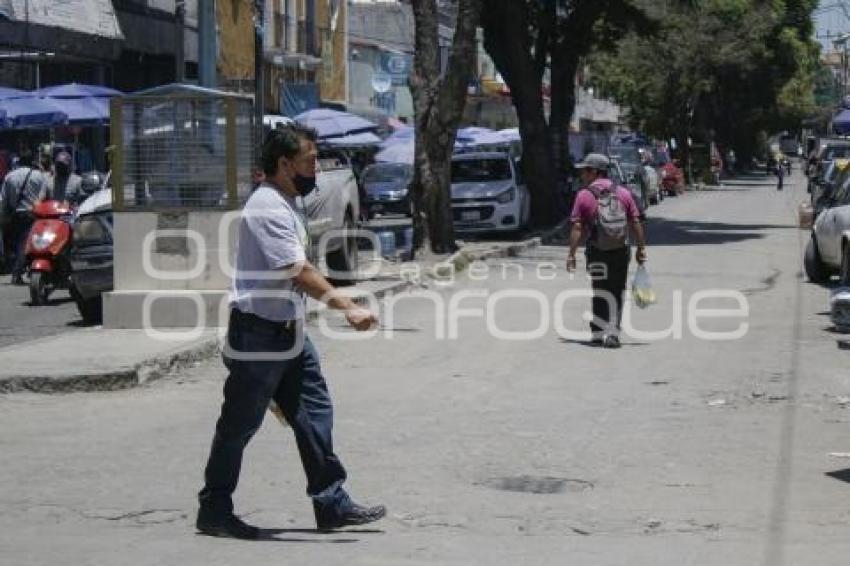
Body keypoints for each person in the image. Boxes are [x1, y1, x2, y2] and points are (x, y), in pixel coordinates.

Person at [197, 125, 386, 539]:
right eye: (309, 161)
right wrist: (347, 307)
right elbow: (297, 271)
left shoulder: (287, 201)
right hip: (259, 336)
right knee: (239, 425)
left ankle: (331, 502)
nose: (315, 168)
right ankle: (214, 508)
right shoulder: (266, 207)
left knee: (314, 412)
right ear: (283, 164)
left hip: (289, 333)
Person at [566, 153, 647, 348]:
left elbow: (577, 227)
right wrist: (641, 248)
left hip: (596, 250)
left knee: (599, 289)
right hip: (620, 249)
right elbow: (635, 221)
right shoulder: (624, 193)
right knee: (617, 291)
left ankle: (597, 334)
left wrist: (571, 254)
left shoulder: (584, 195)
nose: (582, 175)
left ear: (594, 172)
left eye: (585, 171)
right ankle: (613, 334)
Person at [0, 151, 49, 285]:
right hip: (34, 215)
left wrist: (3, 217)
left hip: (16, 215)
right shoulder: (39, 176)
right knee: (28, 244)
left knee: (17, 244)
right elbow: (44, 195)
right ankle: (17, 272)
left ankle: (20, 269)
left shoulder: (10, 176)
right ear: (32, 162)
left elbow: (3, 200)